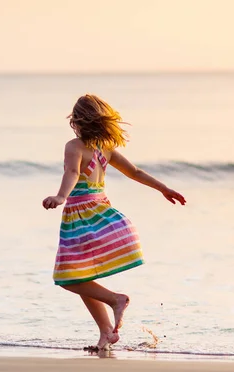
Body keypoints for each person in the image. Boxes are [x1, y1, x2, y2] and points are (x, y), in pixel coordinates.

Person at [42, 94, 186, 350]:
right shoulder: (105, 148)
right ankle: (106, 333)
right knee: (82, 274)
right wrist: (164, 189)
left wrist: (61, 196)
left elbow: (73, 172)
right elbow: (136, 172)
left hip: (81, 217)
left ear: (76, 121)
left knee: (68, 277)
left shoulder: (74, 146)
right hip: (101, 213)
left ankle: (115, 299)